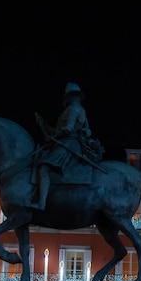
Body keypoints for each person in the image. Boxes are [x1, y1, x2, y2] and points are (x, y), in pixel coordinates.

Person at [30, 82, 102, 210]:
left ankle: (41, 203)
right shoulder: (81, 110)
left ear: (70, 96)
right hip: (69, 143)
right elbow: (87, 130)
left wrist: (55, 136)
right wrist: (44, 124)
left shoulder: (73, 109)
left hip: (68, 145)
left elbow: (67, 129)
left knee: (43, 169)